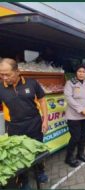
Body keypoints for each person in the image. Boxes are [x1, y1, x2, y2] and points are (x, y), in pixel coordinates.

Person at [0, 58, 49, 189]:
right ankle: (23, 180)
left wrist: (45, 119)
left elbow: (42, 100)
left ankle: (40, 172)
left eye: (7, 74)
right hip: (15, 127)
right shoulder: (0, 87)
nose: (4, 78)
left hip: (34, 124)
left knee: (38, 150)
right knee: (19, 156)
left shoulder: (32, 83)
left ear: (17, 72)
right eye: (1, 74)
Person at [64, 65, 85, 167]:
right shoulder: (70, 83)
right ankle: (69, 157)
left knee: (83, 136)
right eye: (79, 71)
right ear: (76, 73)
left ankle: (80, 154)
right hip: (74, 117)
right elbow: (69, 98)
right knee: (75, 137)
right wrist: (81, 110)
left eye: (83, 72)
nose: (81, 73)